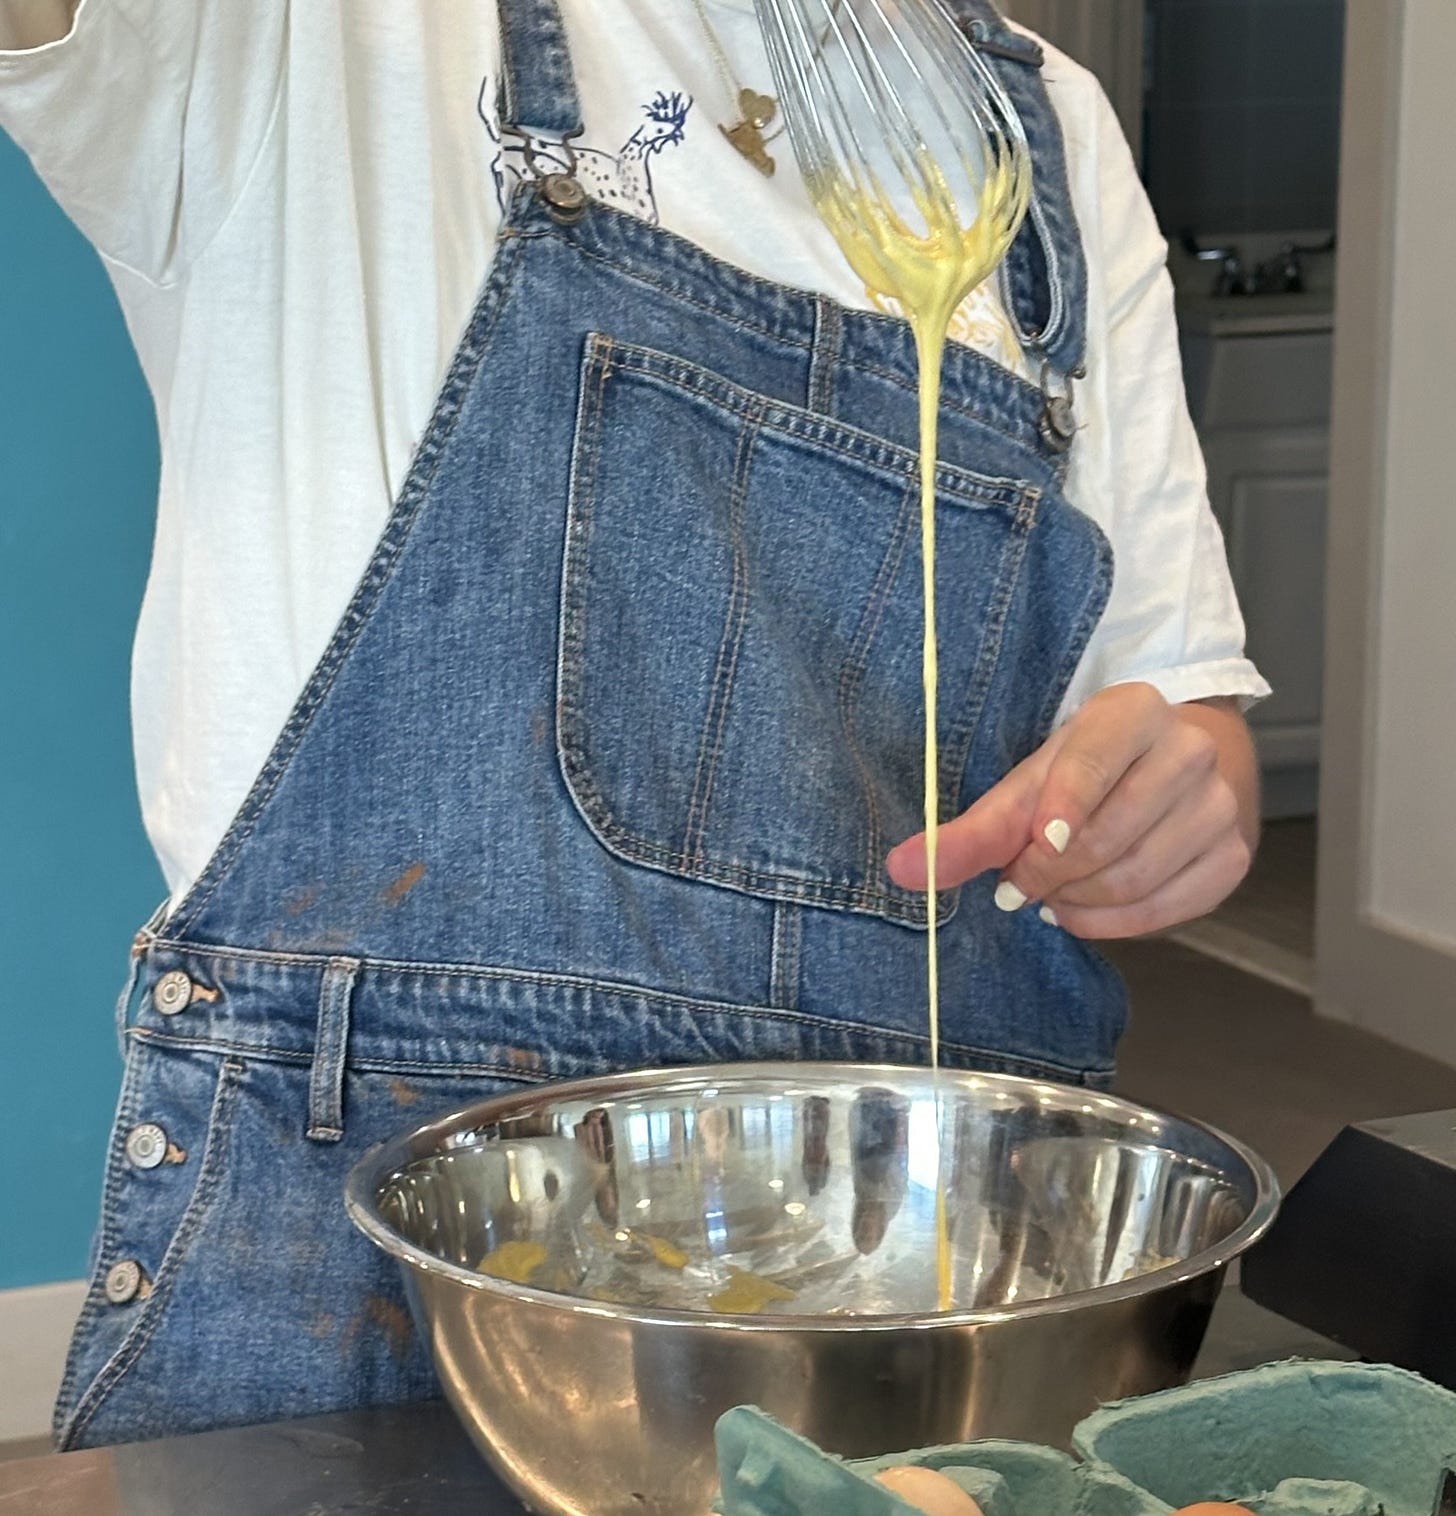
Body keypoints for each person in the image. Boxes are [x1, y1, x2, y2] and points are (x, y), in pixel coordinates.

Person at [0, 0, 1266, 1449]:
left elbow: (1182, 710)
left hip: (926, 1275)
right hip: (371, 1249)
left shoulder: (1043, 138)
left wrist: (1177, 799)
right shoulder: (314, 39)